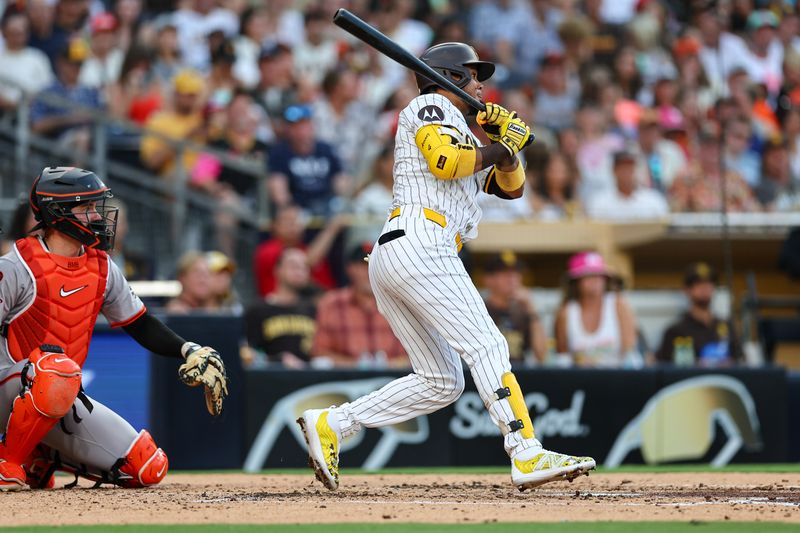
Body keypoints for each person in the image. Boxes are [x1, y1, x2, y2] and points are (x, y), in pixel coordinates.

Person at [296, 42, 595, 493]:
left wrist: (503, 147)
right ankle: (527, 452)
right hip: (422, 241)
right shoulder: (430, 105)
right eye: (473, 77)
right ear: (451, 78)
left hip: (404, 251)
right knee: (488, 344)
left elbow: (510, 189)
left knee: (441, 381)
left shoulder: (460, 128)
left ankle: (335, 422)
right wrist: (500, 145)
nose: (481, 86)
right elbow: (448, 163)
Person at [0, 167, 227, 491]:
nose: (97, 215)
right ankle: (7, 462)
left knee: (148, 467)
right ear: (57, 212)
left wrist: (187, 349)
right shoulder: (15, 265)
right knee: (55, 369)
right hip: (8, 386)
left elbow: (139, 323)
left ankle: (42, 453)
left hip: (56, 393)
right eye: (87, 207)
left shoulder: (102, 266)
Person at [310, 242, 406, 368]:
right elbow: (319, 353)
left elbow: (419, 354)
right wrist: (358, 365)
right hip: (344, 380)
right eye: (363, 265)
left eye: (376, 265)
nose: (369, 271)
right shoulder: (331, 303)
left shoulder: (401, 302)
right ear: (350, 269)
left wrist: (387, 365)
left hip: (394, 380)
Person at [553, 251, 640, 368]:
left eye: (599, 276)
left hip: (617, 379)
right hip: (579, 381)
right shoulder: (566, 312)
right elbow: (562, 356)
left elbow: (630, 352)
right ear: (576, 282)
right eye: (588, 276)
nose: (595, 281)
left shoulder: (618, 304)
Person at [655, 263, 742, 367]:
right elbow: (666, 367)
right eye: (699, 284)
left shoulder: (726, 326)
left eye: (709, 283)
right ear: (687, 290)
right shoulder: (676, 331)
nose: (705, 288)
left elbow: (740, 360)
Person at [244, 247, 318, 369]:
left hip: (310, 380)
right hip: (270, 379)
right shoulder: (257, 310)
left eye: (304, 267)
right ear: (277, 270)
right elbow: (247, 353)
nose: (300, 271)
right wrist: (277, 360)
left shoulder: (314, 309)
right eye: (293, 266)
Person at [483, 250, 547, 365]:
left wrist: (531, 309)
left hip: (518, 376)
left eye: (516, 273)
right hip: (486, 375)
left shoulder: (523, 310)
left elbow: (541, 355)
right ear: (489, 279)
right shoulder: (479, 310)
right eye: (505, 274)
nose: (512, 279)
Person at [586, 150, 670, 220]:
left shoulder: (653, 200)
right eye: (622, 167)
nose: (626, 172)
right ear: (613, 170)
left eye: (630, 167)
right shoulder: (600, 202)